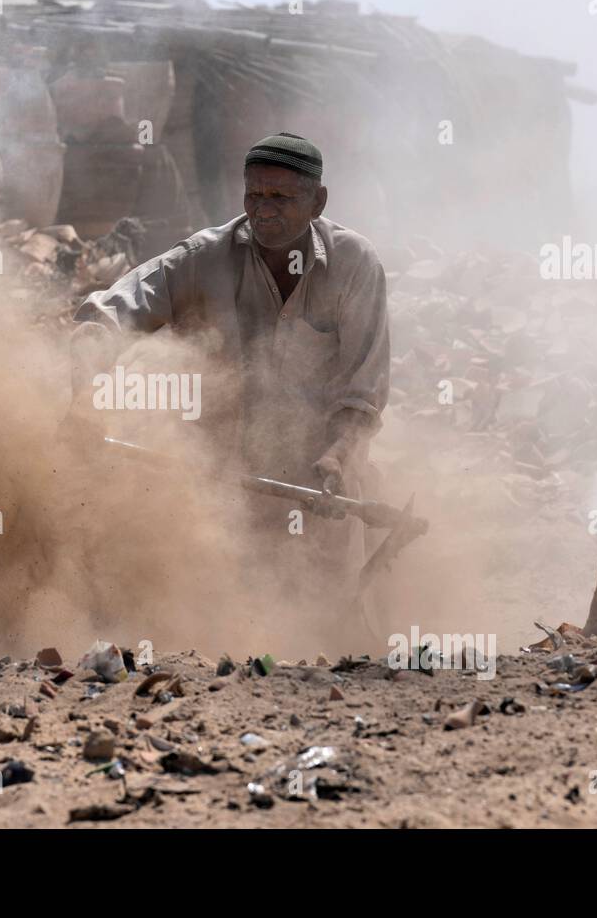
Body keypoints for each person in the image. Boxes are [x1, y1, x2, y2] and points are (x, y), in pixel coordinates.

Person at [66, 132, 391, 633]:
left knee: (332, 629)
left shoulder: (354, 265)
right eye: (254, 195)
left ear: (318, 201)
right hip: (221, 481)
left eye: (281, 198)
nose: (264, 210)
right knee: (207, 623)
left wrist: (338, 456)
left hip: (320, 480)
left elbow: (363, 392)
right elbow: (107, 316)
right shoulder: (203, 256)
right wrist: (86, 396)